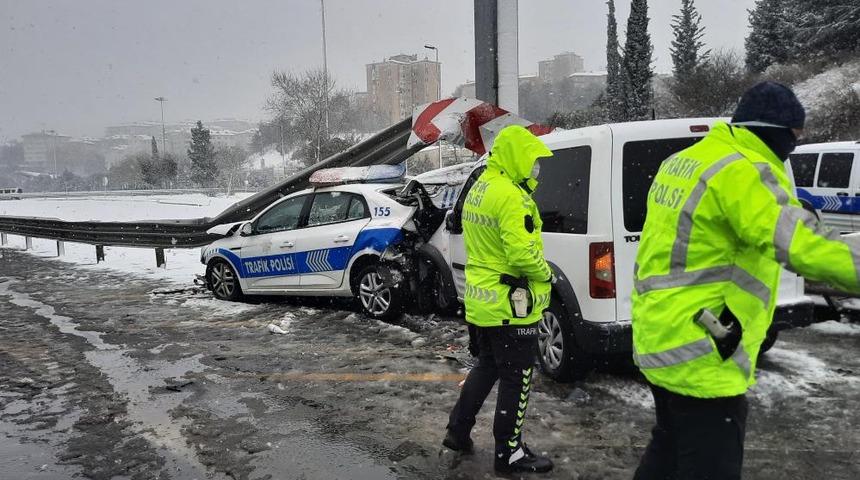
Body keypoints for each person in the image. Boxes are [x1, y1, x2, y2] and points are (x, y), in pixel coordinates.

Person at [631, 81, 860, 479]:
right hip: (705, 351)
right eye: (795, 136)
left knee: (667, 449)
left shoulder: (686, 161)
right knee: (706, 464)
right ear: (774, 130)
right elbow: (801, 245)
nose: (794, 144)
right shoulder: (743, 171)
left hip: (661, 335)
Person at [443, 125, 555, 474]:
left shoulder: (482, 187)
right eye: (533, 160)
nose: (536, 167)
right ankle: (509, 452)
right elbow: (522, 254)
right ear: (516, 157)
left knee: (487, 367)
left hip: (483, 300)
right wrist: (546, 275)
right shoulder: (512, 196)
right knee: (517, 379)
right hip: (511, 304)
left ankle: (458, 431)